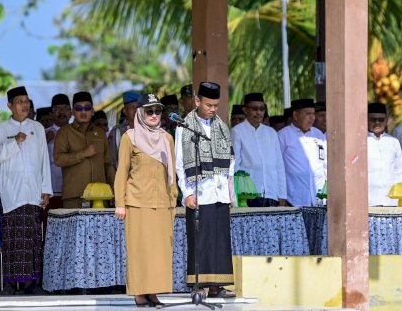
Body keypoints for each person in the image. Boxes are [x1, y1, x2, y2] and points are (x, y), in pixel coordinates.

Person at [0, 86, 52, 294]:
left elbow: (44, 162)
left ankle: (32, 283)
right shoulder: (1, 130)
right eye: (20, 101)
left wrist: (46, 189)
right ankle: (10, 283)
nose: (24, 104)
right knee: (13, 239)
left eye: (26, 101)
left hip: (33, 193)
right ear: (9, 106)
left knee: (33, 239)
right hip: (11, 195)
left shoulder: (38, 128)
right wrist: (15, 142)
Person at [114, 94, 177, 307]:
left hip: (163, 202)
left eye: (157, 111)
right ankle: (140, 292)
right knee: (139, 250)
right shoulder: (129, 137)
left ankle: (153, 292)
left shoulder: (167, 138)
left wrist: (174, 200)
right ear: (140, 113)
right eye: (149, 111)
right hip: (137, 201)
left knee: (159, 252)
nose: (153, 115)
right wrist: (120, 203)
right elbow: (122, 171)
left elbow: (172, 172)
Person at [175, 82, 236, 298]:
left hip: (220, 192)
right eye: (208, 104)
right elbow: (180, 164)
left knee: (220, 239)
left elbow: (230, 162)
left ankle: (217, 286)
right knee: (200, 239)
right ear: (197, 101)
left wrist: (230, 193)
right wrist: (187, 193)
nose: (212, 109)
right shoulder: (184, 126)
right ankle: (198, 285)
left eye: (216, 105)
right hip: (199, 192)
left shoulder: (222, 127)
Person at [54, 91, 116, 208]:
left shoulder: (100, 133)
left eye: (87, 108)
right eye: (79, 108)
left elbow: (108, 165)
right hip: (75, 197)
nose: (83, 112)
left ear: (92, 111)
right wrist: (83, 154)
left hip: (101, 196)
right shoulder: (64, 132)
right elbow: (58, 159)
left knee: (101, 227)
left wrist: (114, 190)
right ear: (72, 112)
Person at [231, 93, 287, 207]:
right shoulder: (237, 131)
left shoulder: (271, 133)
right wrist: (234, 195)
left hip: (272, 193)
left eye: (262, 109)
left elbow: (279, 166)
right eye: (255, 109)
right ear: (245, 110)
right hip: (248, 194)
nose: (259, 112)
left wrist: (282, 194)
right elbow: (234, 165)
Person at [277, 99, 327, 207]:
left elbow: (325, 165)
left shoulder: (318, 134)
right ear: (296, 115)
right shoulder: (283, 135)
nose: (312, 118)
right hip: (294, 199)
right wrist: (281, 195)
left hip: (318, 198)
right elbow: (278, 168)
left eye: (313, 114)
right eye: (308, 114)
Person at [367, 102, 402, 206]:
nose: (377, 122)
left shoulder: (393, 141)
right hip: (368, 201)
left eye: (381, 119)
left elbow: (400, 172)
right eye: (373, 119)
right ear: (366, 120)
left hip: (391, 201)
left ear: (386, 121)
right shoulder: (360, 142)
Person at [46, 94, 71, 207]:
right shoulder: (43, 134)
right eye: (57, 109)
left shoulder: (79, 133)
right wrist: (45, 141)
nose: (61, 112)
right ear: (51, 114)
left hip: (72, 188)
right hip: (51, 189)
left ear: (71, 112)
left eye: (65, 108)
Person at [109, 91, 140, 167]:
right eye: (132, 107)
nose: (136, 110)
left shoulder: (150, 130)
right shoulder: (118, 131)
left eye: (138, 107)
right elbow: (112, 161)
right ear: (125, 111)